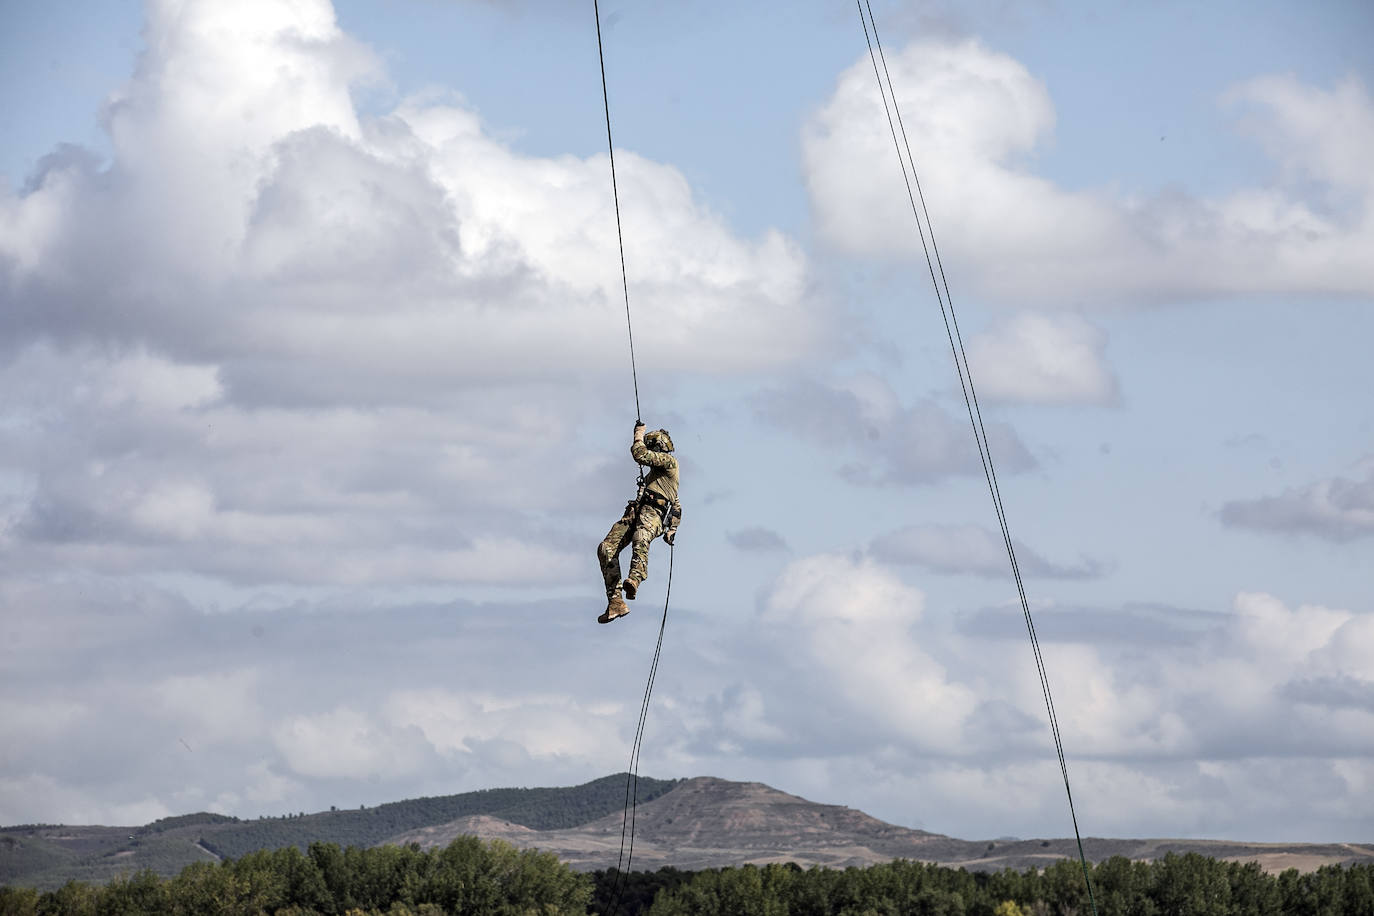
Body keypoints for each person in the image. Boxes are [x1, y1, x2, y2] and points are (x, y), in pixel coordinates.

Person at [596, 420, 681, 624]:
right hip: (637, 512)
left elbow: (640, 455)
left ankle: (635, 578)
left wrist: (637, 436)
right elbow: (678, 505)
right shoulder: (656, 475)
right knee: (606, 548)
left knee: (641, 536)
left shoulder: (670, 464)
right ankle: (615, 602)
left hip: (653, 514)